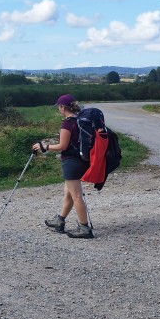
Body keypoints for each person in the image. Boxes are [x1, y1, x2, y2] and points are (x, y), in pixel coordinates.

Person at [32, 94, 94, 239]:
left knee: (76, 195)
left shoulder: (67, 123)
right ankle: (60, 221)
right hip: (82, 160)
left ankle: (84, 228)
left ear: (62, 107)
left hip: (71, 162)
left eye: (58, 107)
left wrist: (45, 146)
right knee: (69, 193)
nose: (58, 109)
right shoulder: (80, 120)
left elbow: (63, 146)